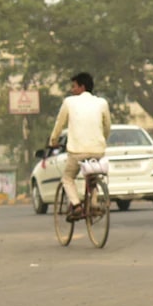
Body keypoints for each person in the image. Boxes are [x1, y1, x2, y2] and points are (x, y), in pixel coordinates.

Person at [48, 72, 111, 220]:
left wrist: (53, 140)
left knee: (68, 178)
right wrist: (102, 140)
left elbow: (59, 123)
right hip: (97, 150)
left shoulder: (69, 102)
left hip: (77, 151)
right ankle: (94, 204)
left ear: (82, 87)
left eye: (74, 86)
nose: (72, 90)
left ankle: (76, 206)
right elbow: (107, 126)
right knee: (92, 176)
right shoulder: (102, 103)